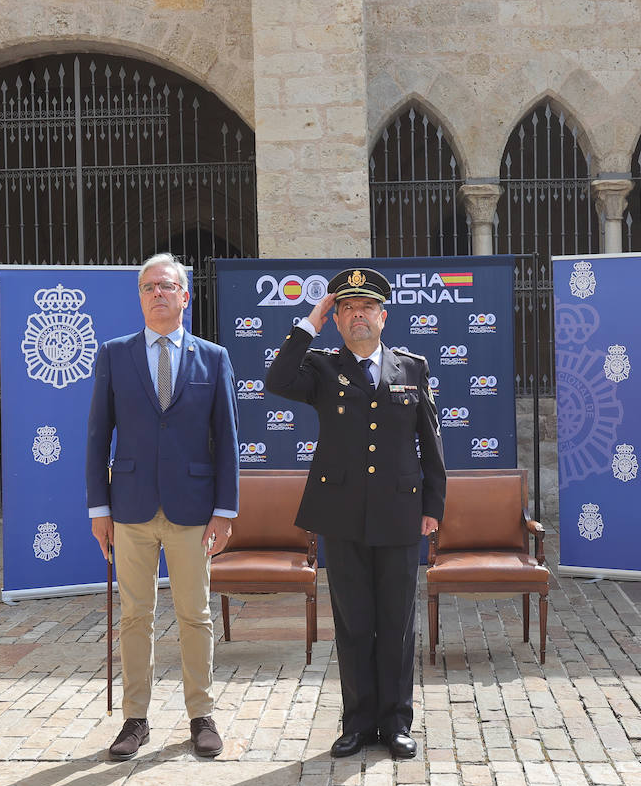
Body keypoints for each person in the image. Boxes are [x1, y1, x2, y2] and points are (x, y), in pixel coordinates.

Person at [265, 267, 446, 759]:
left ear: (383, 317)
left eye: (367, 308)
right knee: (352, 622)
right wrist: (310, 321)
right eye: (347, 308)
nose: (358, 315)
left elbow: (430, 442)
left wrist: (433, 507)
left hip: (400, 513)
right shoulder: (322, 367)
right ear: (338, 320)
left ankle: (396, 722)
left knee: (396, 621)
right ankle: (358, 722)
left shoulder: (412, 367)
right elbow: (277, 379)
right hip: (341, 514)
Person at [85, 252, 239, 760]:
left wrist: (225, 510)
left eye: (167, 286)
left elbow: (228, 439)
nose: (158, 294)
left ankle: (201, 715)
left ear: (185, 296)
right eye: (149, 287)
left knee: (195, 615)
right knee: (135, 617)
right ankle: (135, 720)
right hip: (129, 508)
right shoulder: (115, 354)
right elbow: (96, 436)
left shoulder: (212, 358)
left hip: (193, 509)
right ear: (140, 297)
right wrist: (97, 509)